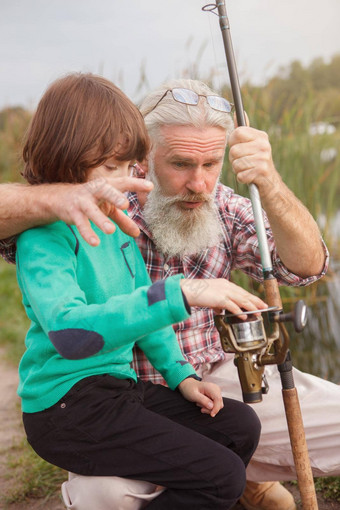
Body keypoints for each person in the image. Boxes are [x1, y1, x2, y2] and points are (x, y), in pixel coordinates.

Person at [0, 79, 339, 510]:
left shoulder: (122, 220)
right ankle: (216, 482)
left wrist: (184, 377)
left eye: (212, 164)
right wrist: (182, 292)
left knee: (240, 427)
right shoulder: (52, 229)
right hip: (71, 405)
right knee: (209, 477)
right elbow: (73, 334)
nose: (199, 183)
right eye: (180, 163)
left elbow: (308, 266)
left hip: (131, 391)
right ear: (148, 159)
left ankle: (231, 483)